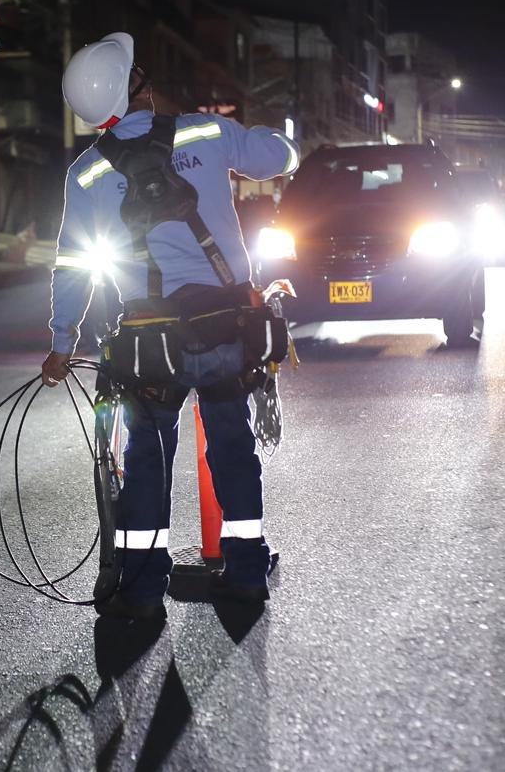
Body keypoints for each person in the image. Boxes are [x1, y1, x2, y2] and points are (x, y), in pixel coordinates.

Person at [43, 32, 299, 621]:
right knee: (231, 444)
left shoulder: (85, 174)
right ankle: (245, 571)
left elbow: (73, 266)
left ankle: (140, 591)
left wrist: (62, 343)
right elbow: (279, 157)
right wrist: (273, 138)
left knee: (148, 457)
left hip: (148, 340)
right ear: (142, 89)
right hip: (226, 326)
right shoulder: (205, 132)